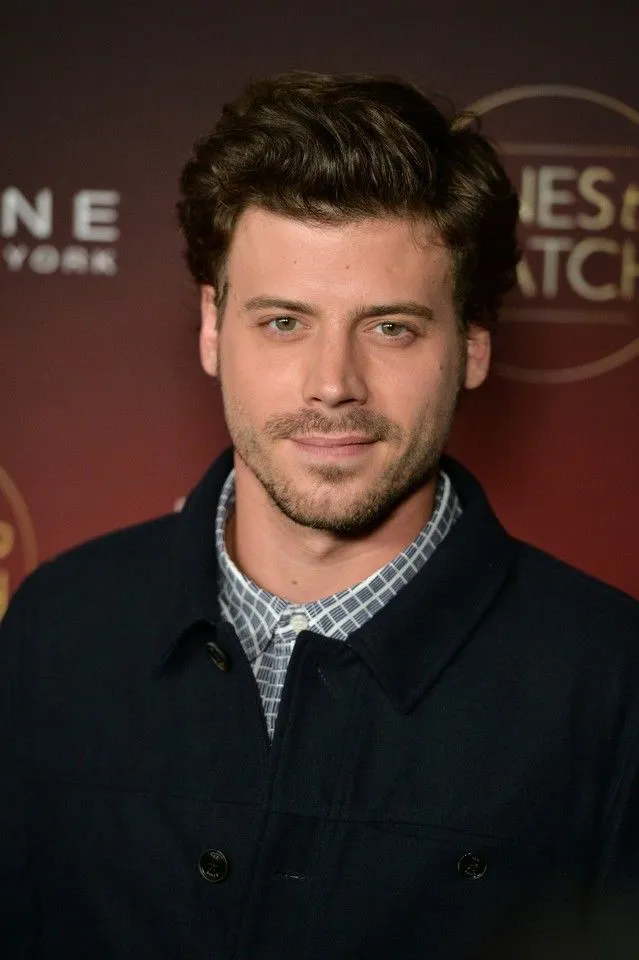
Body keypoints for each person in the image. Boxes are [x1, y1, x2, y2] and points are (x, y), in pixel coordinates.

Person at [1, 72, 638, 960]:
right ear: (211, 328)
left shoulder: (612, 683)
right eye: (284, 322)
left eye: (390, 328)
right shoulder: (53, 629)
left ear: (473, 347)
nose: (332, 383)